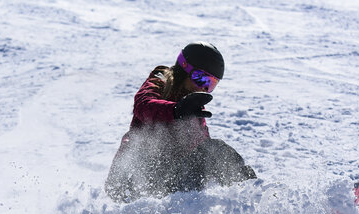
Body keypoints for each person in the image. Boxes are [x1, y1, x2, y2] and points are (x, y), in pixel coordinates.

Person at [105, 41, 256, 203]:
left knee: (215, 151)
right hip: (130, 180)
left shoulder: (192, 107)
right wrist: (176, 110)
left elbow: (203, 148)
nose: (204, 88)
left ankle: (252, 198)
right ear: (185, 68)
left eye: (211, 84)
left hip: (163, 181)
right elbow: (143, 105)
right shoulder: (161, 82)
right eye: (201, 79)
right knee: (211, 151)